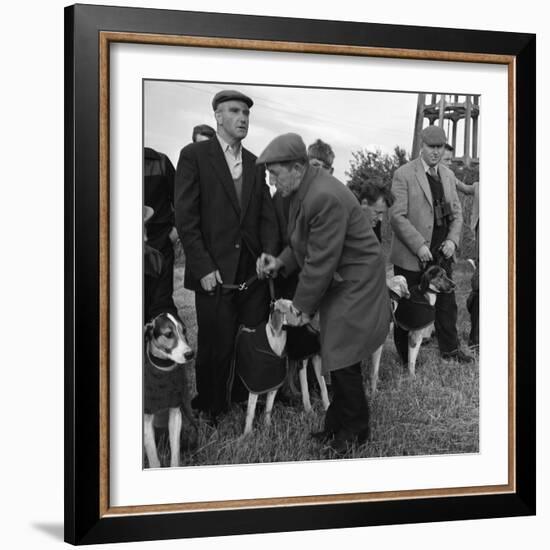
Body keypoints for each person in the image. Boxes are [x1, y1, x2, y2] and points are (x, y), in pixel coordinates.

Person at [256, 133, 391, 455]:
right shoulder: (304, 191)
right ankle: (336, 426)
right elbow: (302, 243)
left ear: (298, 167)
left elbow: (321, 261)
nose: (272, 182)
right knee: (336, 352)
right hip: (342, 279)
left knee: (342, 356)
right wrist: (280, 262)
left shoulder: (322, 196)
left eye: (275, 173)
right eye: (269, 175)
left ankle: (356, 431)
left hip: (355, 281)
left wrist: (301, 307)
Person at [174, 89, 279, 421]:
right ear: (218, 116)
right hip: (213, 271)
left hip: (250, 273)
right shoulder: (194, 155)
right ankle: (210, 406)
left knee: (249, 339)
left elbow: (264, 216)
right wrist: (202, 265)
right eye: (235, 111)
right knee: (214, 344)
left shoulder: (254, 162)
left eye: (247, 113)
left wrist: (267, 256)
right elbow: (186, 217)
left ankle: (240, 396)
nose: (243, 118)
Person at [389, 125, 472, 364]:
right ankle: (405, 357)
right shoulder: (403, 174)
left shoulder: (447, 174)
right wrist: (419, 245)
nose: (436, 152)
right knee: (408, 305)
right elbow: (397, 216)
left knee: (447, 304)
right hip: (412, 254)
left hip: (441, 253)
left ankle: (450, 350)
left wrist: (452, 241)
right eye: (431, 147)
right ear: (421, 146)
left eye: (440, 147)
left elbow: (457, 214)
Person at [144, 147, 179, 316]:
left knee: (161, 302)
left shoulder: (160, 162)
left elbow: (180, 198)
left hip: (160, 242)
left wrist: (175, 231)